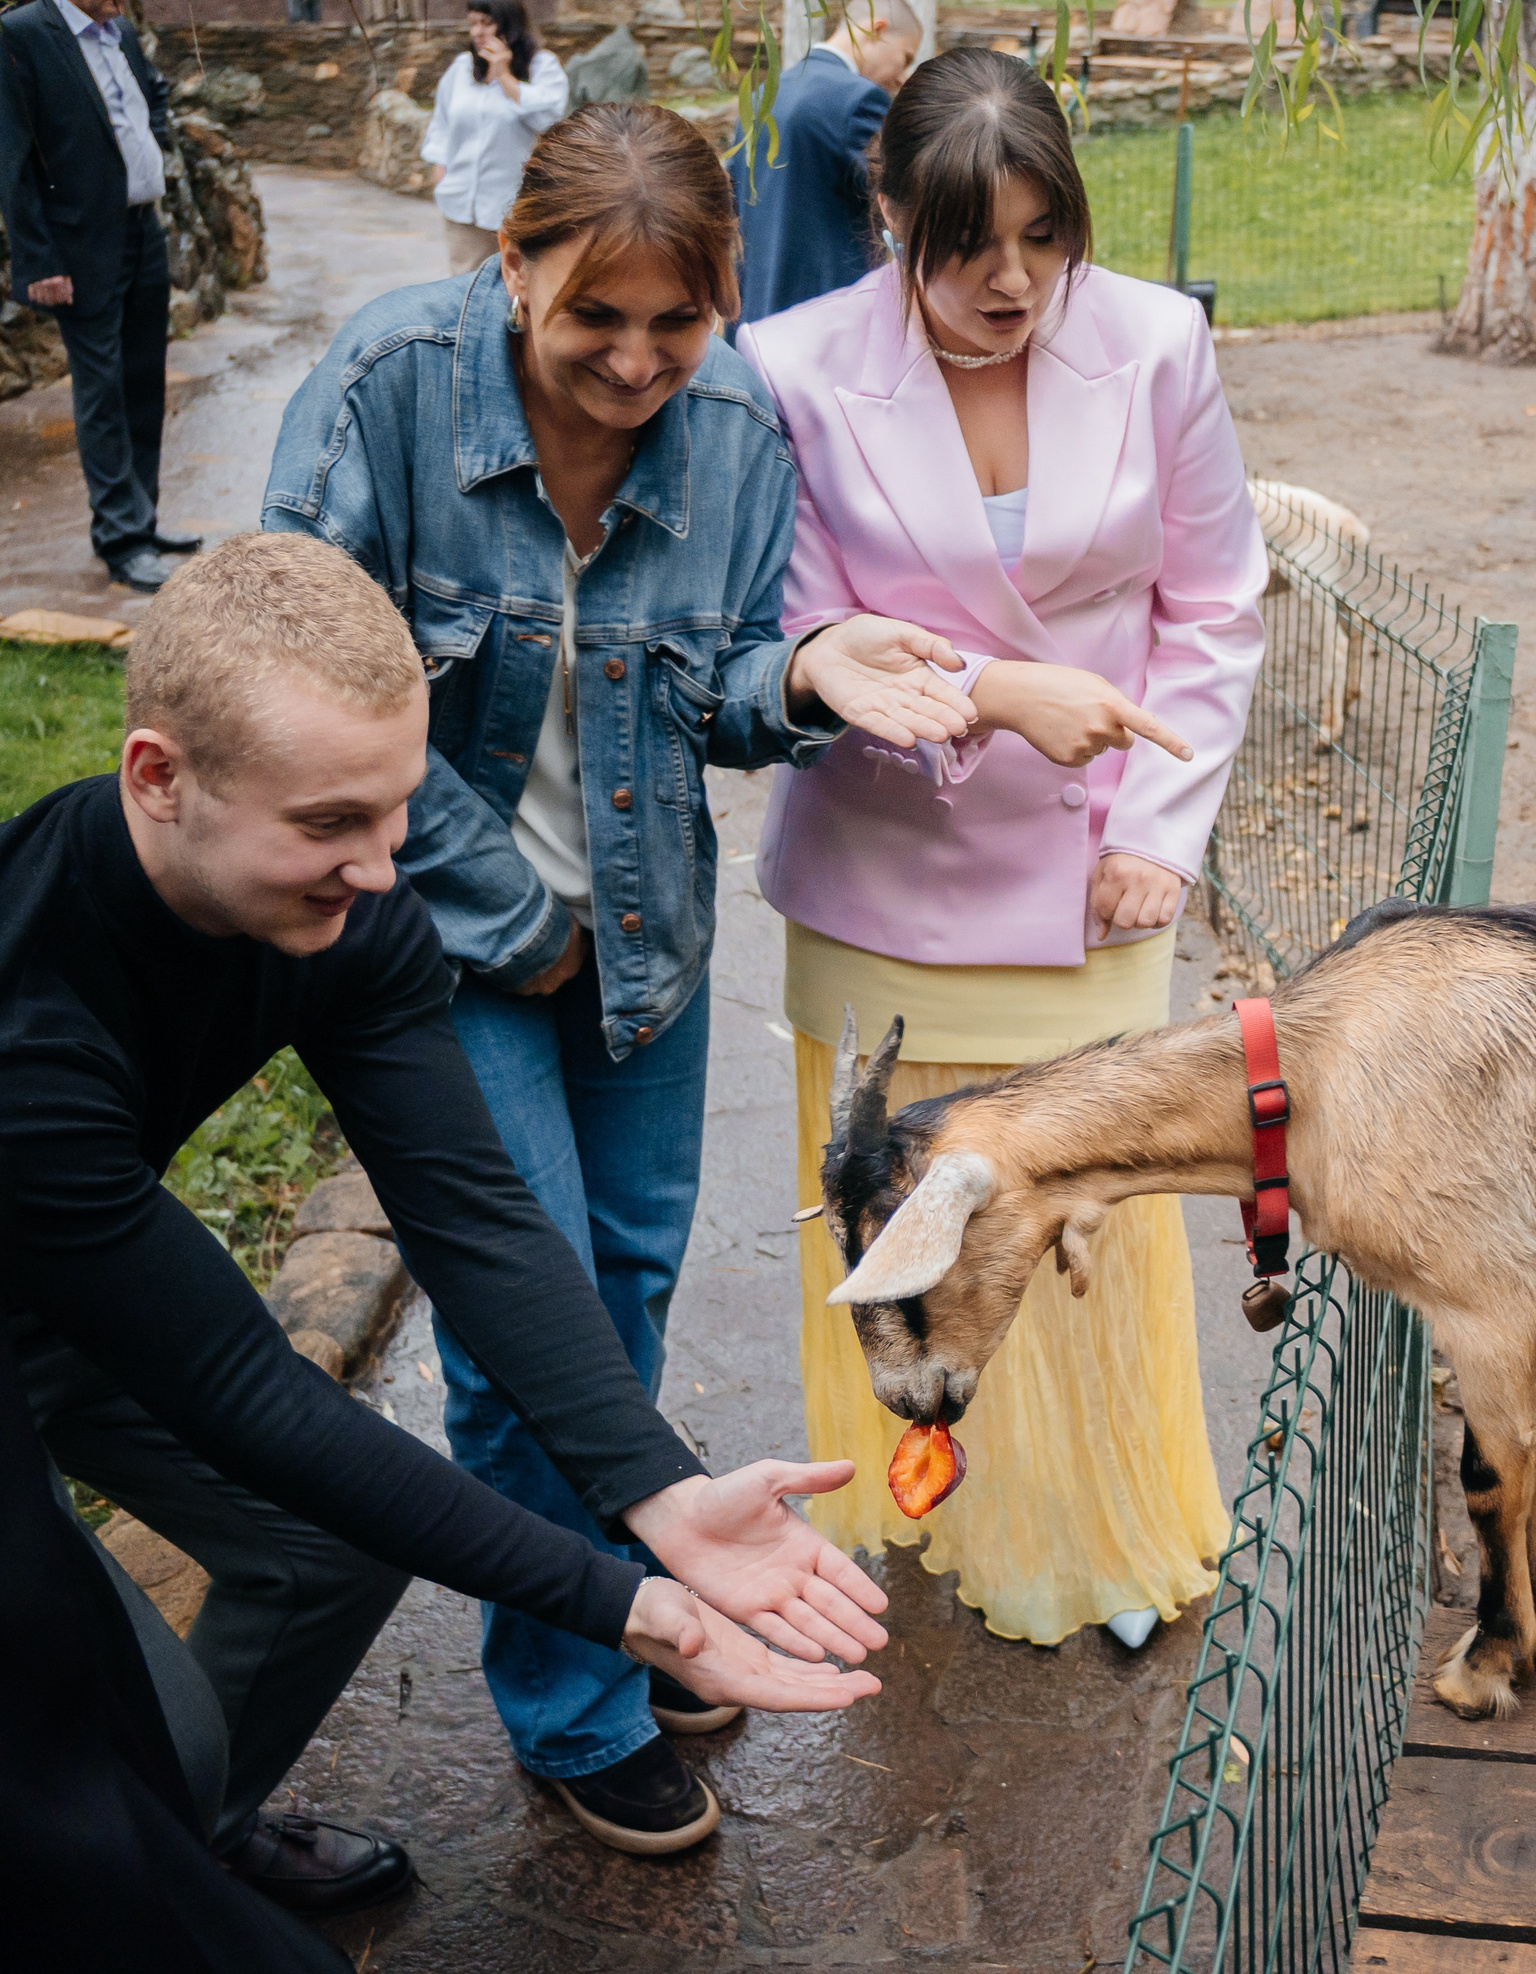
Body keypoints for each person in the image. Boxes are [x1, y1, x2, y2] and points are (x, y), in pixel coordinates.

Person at [261, 100, 1011, 1853]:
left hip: (645, 942)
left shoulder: (736, 423)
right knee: (533, 1331)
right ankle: (580, 1689)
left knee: (625, 1289)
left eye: (679, 319)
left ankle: (629, 1581)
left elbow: (717, 687)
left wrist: (812, 673)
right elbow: (300, 685)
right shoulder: (382, 390)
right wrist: (514, 921)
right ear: (511, 261)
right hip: (431, 947)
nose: (637, 359)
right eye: (596, 313)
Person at [0, 532, 887, 1959]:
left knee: (323, 1553)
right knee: (96, 1766)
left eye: (401, 806)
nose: (381, 865)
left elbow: (472, 1213)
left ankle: (200, 1830)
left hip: (85, 1271)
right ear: (158, 778)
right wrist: (622, 1600)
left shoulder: (347, 905)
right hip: (51, 1266)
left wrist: (653, 1485)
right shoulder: (30, 1033)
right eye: (328, 822)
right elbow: (244, 1390)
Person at [738, 48, 1265, 1649]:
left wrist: (1163, 832)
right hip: (881, 873)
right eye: (971, 245)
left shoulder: (1159, 342)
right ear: (888, 209)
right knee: (900, 1203)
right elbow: (797, 620)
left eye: (1046, 236)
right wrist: (985, 689)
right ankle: (918, 1491)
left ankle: (1093, 1530)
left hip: (1097, 865)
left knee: (1085, 1207)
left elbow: (1215, 602)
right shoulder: (792, 365)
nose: (1014, 281)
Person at [0, 0, 200, 592]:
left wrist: (153, 140)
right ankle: (120, 539)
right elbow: (10, 156)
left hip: (143, 230)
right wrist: (39, 260)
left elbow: (152, 97)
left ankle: (141, 518)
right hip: (80, 244)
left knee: (143, 379)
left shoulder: (121, 33)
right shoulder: (21, 32)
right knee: (102, 388)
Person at [729, 0, 920, 329]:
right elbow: (905, 201)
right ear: (878, 28)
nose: (901, 77)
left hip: (753, 314)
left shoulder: (761, 95)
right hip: (824, 319)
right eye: (905, 58)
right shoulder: (858, 100)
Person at [422, 0, 567, 276]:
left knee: (516, 289)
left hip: (515, 208)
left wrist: (504, 75)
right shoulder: (462, 68)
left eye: (486, 23)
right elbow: (441, 124)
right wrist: (440, 175)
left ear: (510, 24)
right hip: (461, 206)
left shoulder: (542, 66)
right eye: (472, 23)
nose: (477, 32)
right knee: (465, 287)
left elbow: (549, 119)